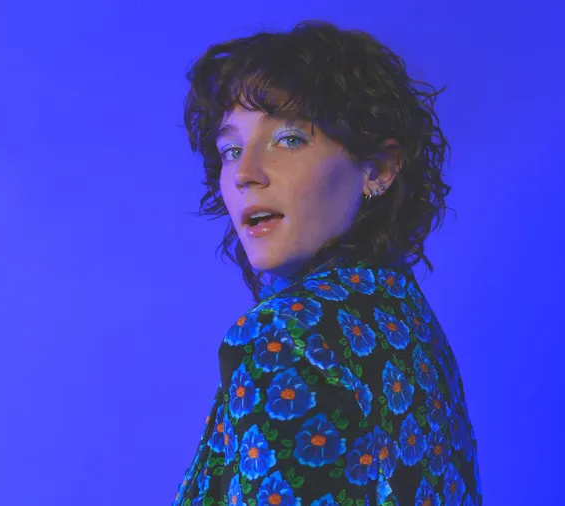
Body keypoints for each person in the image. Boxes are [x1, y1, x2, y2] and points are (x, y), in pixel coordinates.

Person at [173, 21, 482, 506]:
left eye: (289, 138)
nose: (245, 174)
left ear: (378, 167)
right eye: (231, 150)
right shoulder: (410, 321)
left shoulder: (285, 335)